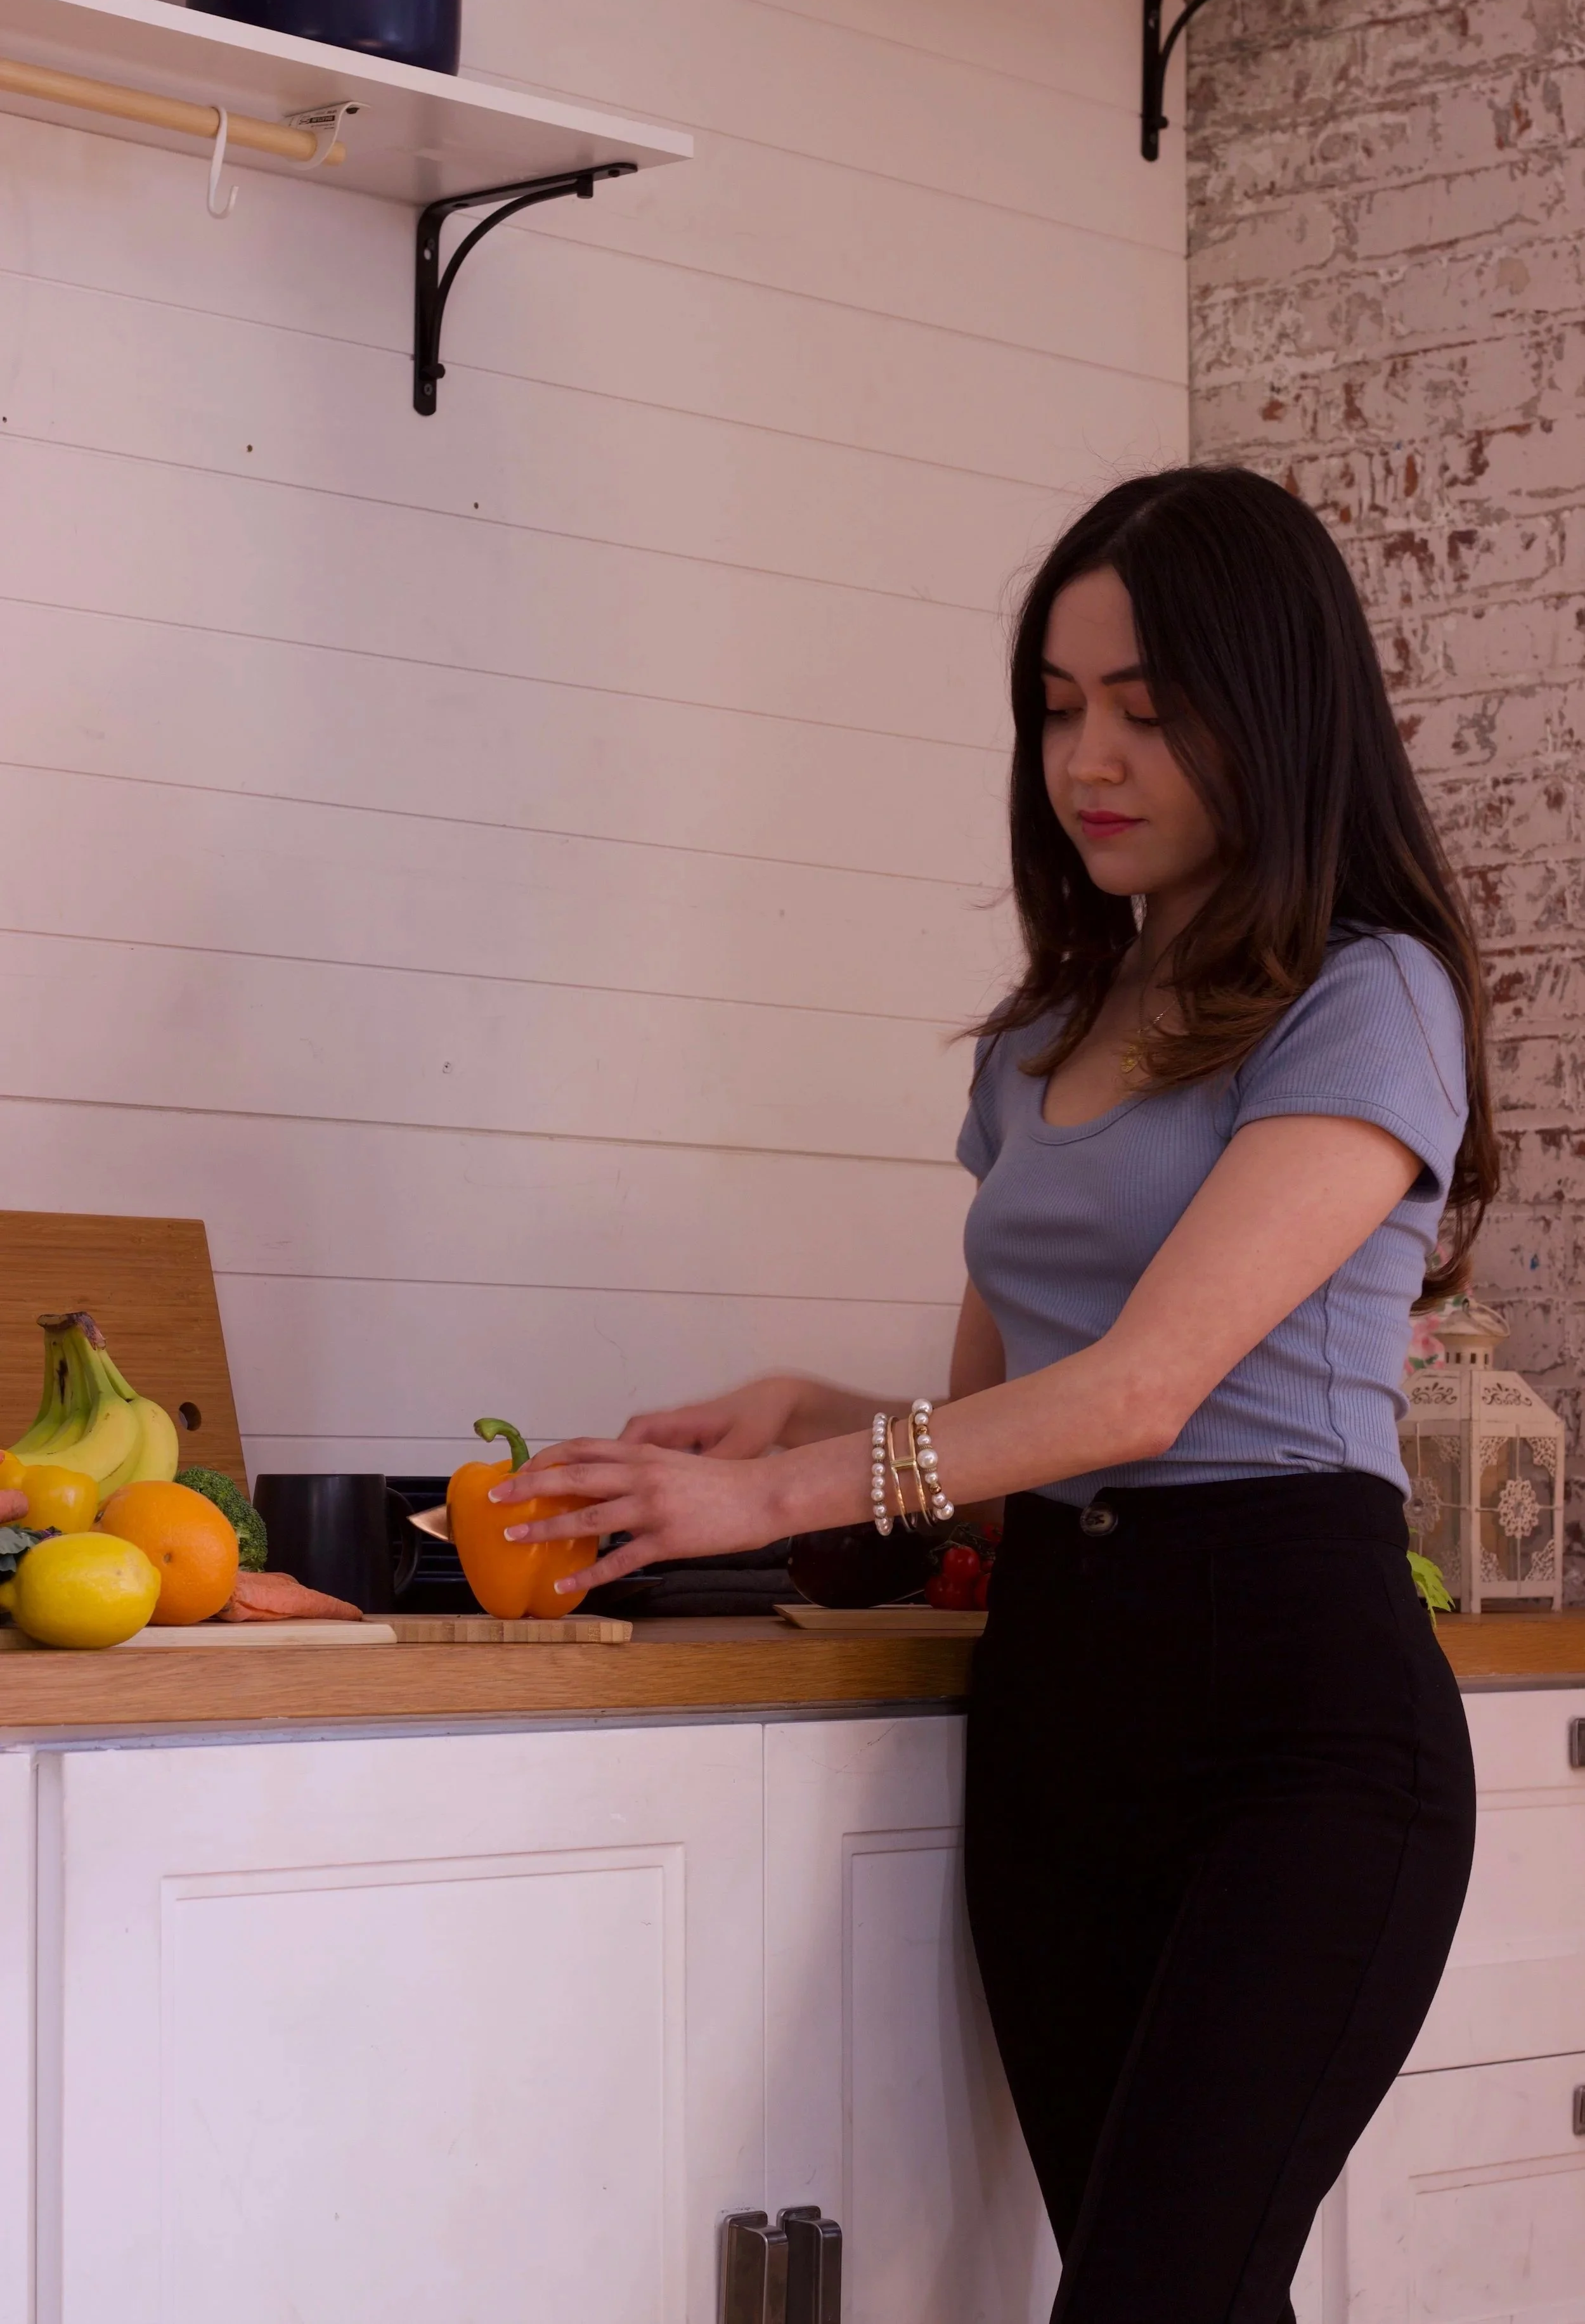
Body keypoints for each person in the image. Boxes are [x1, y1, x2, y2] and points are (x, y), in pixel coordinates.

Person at [491, 466, 1492, 2323]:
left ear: (1269, 713)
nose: (1086, 755)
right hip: (1058, 1711)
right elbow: (996, 1453)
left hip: (1299, 1719)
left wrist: (779, 1494)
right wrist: (802, 1414)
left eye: (1146, 704)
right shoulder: (1044, 1039)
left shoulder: (1372, 998)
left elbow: (1146, 1384)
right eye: (1055, 703)